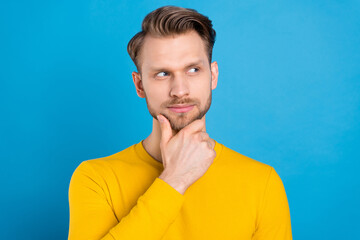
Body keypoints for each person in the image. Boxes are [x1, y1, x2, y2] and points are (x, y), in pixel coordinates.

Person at [68, 5, 292, 240]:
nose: (180, 90)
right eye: (163, 74)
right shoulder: (95, 179)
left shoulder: (261, 182)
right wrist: (174, 180)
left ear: (213, 75)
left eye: (193, 70)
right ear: (140, 85)